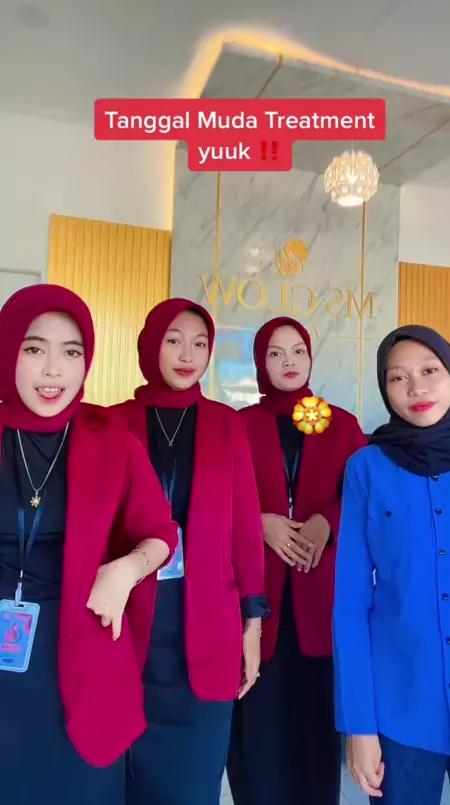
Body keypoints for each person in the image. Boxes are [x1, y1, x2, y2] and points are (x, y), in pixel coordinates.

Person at [0, 283, 178, 805]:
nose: (54, 370)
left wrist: (126, 570)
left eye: (71, 353)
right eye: (35, 349)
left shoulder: (110, 438)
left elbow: (162, 534)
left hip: (83, 656)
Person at [112, 297, 269, 805]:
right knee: (123, 778)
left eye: (200, 344)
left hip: (209, 626)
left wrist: (253, 624)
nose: (187, 355)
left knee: (195, 783)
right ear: (150, 345)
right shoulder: (111, 424)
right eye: (174, 341)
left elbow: (245, 527)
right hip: (128, 623)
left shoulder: (227, 424)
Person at [333, 325, 450, 805]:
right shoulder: (366, 468)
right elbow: (351, 604)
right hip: (400, 710)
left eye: (429, 371)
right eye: (398, 377)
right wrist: (359, 726)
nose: (416, 388)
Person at [227, 317, 367, 805]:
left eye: (298, 351)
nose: (288, 362)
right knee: (259, 739)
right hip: (255, 605)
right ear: (260, 362)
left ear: (310, 357)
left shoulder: (341, 424)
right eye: (275, 353)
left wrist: (328, 521)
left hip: (320, 603)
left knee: (314, 738)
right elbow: (217, 497)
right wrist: (259, 522)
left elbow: (364, 495)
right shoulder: (239, 425)